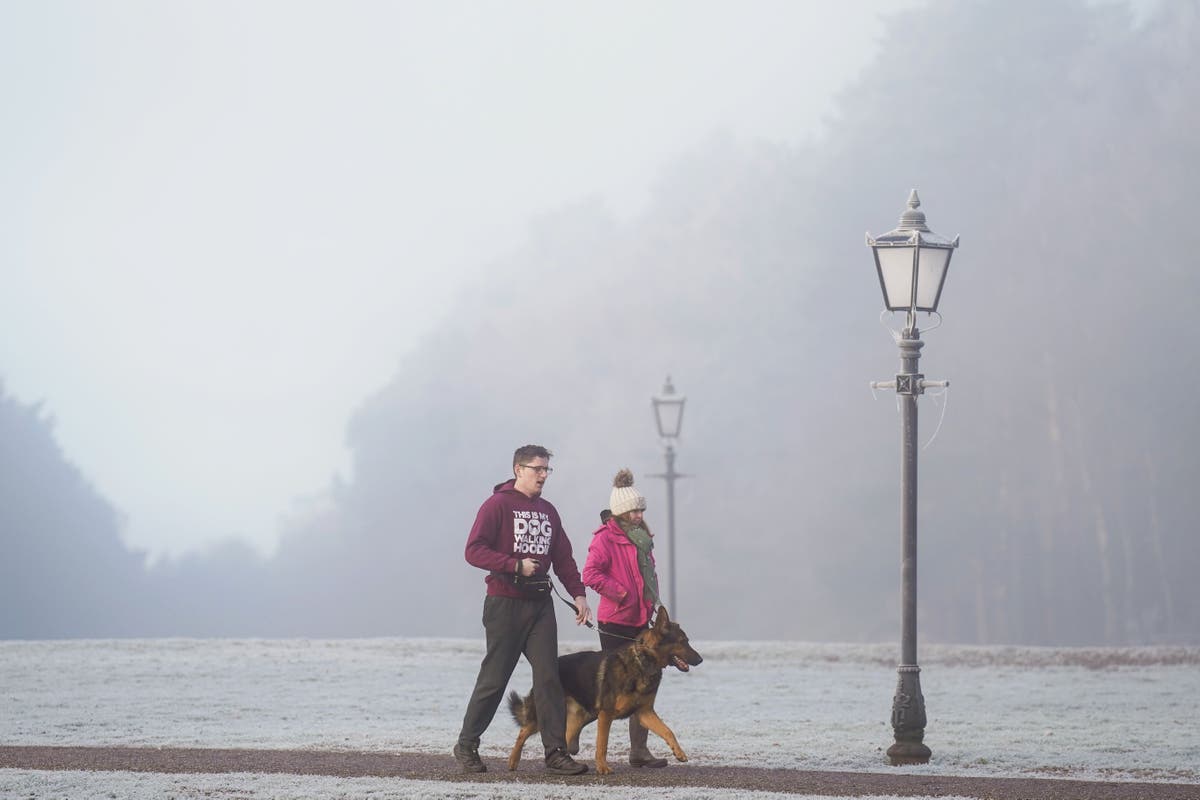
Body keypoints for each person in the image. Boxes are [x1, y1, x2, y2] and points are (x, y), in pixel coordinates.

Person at [454, 445, 593, 776]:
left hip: (540, 606)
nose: (543, 475)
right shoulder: (496, 505)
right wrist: (514, 565)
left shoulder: (548, 511)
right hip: (504, 604)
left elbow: (563, 558)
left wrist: (579, 594)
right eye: (537, 469)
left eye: (547, 469)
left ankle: (556, 753)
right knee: (494, 679)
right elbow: (473, 551)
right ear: (519, 469)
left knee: (549, 678)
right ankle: (467, 744)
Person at [582, 468, 670, 768]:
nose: (638, 515)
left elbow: (648, 575)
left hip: (641, 621)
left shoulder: (642, 539)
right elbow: (590, 574)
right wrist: (621, 593)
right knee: (612, 690)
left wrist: (651, 602)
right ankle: (575, 736)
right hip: (615, 622)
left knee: (645, 686)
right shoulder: (605, 539)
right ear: (620, 512)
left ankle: (639, 751)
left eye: (641, 510)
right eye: (633, 511)